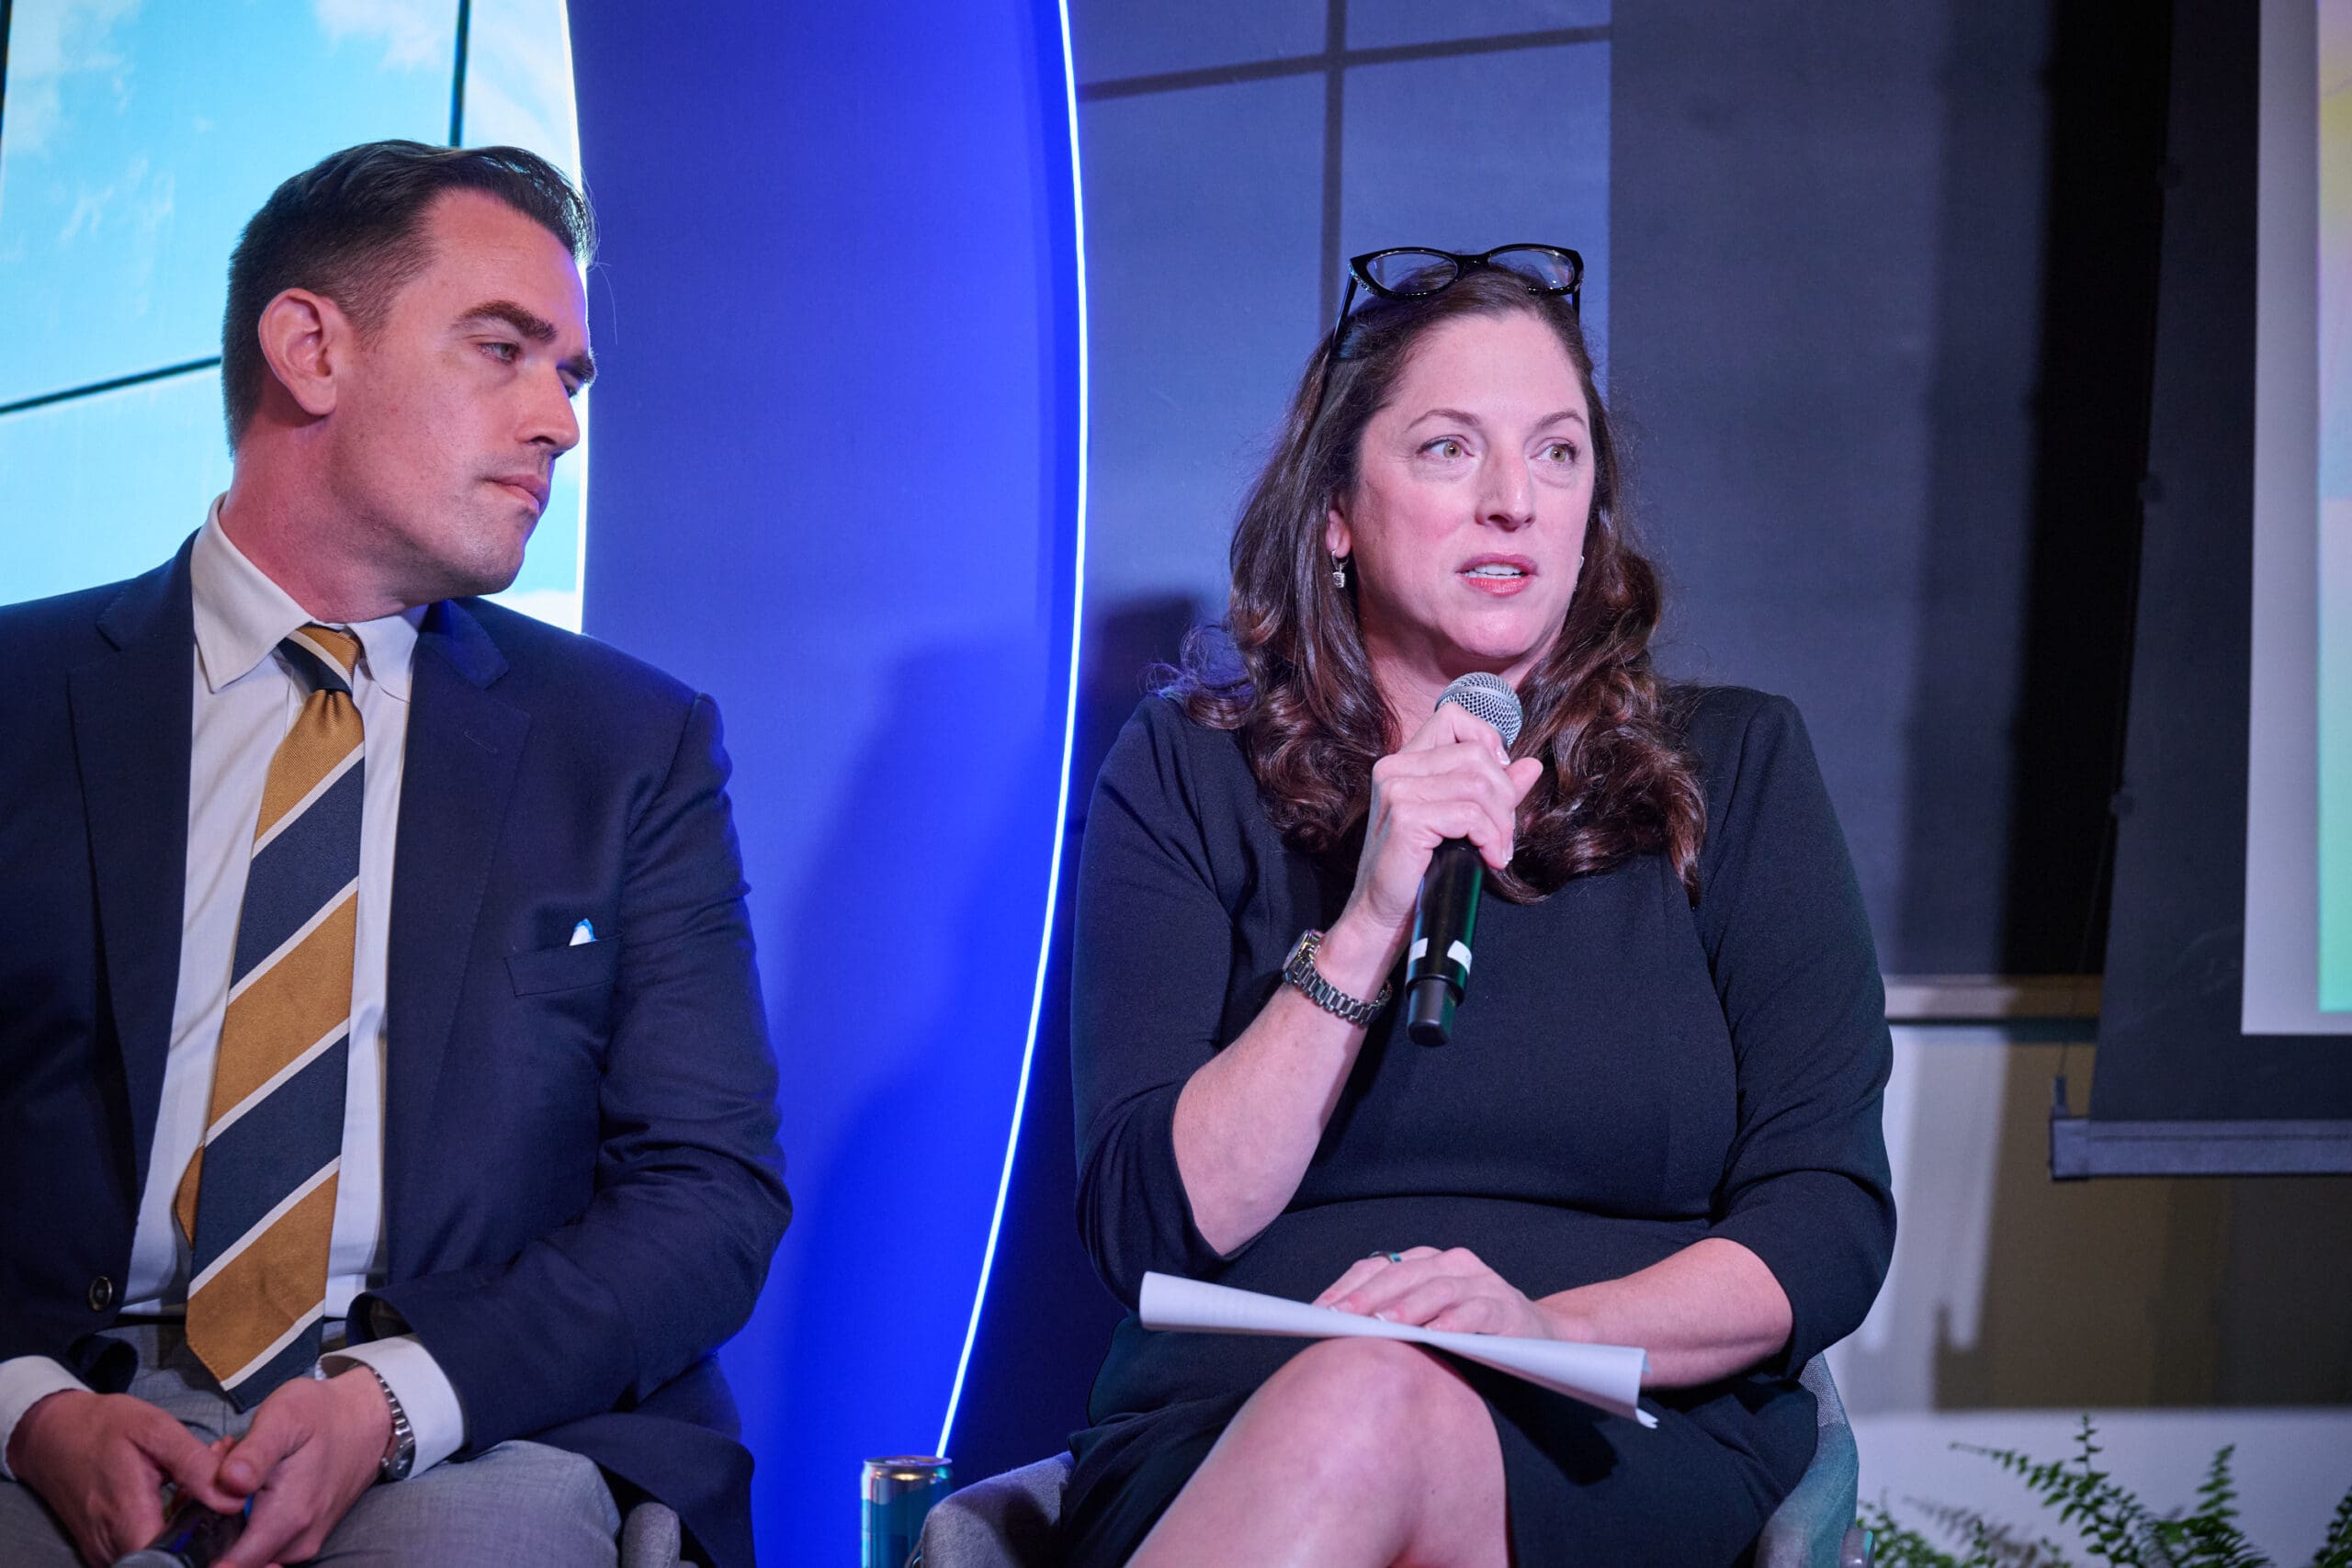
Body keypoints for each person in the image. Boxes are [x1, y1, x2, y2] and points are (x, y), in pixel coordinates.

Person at [0, 141, 788, 1568]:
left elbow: (706, 1193)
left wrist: (393, 1399)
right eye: (505, 350)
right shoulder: (17, 698)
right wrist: (26, 1408)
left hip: (459, 1412)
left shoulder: (631, 746)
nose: (559, 422)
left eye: (571, 377)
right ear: (312, 349)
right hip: (49, 1396)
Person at [1061, 245, 1895, 1566]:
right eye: (1451, 449)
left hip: (1610, 1426)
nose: (1514, 501)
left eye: (1558, 454)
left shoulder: (1735, 768)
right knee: (1358, 1398)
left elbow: (1825, 1220)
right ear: (1336, 510)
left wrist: (1546, 1330)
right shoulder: (1188, 772)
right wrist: (1368, 921)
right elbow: (1151, 1223)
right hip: (1228, 1418)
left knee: (1378, 1399)